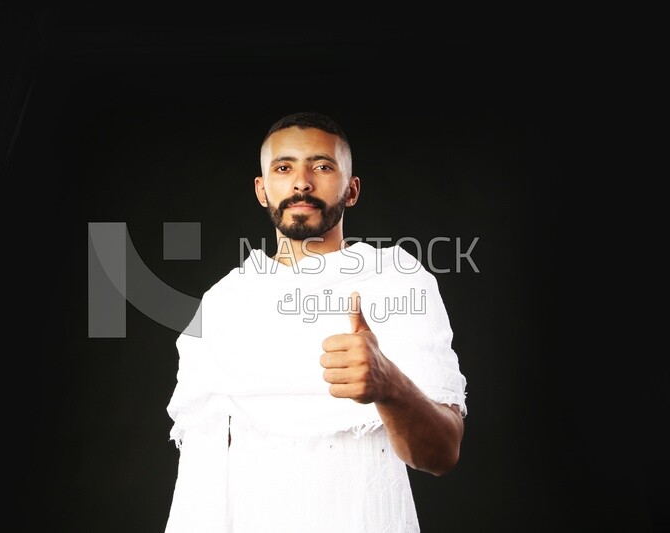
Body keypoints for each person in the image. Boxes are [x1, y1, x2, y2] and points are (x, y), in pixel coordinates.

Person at [164, 111, 467, 532]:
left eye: (322, 166)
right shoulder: (223, 302)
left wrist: (389, 385)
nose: (302, 182)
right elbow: (198, 476)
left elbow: (442, 453)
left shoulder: (398, 280)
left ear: (352, 189)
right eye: (284, 167)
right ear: (261, 189)